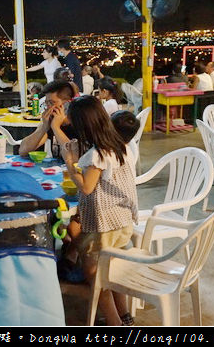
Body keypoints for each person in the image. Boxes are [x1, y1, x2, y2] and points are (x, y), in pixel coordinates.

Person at [61, 94, 138, 327]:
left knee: (96, 275)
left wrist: (70, 163)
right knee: (111, 272)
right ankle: (125, 315)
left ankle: (115, 323)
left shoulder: (97, 154)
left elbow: (86, 187)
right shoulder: (120, 145)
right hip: (122, 219)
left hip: (103, 224)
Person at [19, 80, 78, 160]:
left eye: (51, 103)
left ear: (67, 104)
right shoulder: (50, 122)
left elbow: (75, 157)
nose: (48, 107)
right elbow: (23, 151)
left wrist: (56, 128)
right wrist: (44, 128)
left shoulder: (80, 123)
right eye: (46, 103)